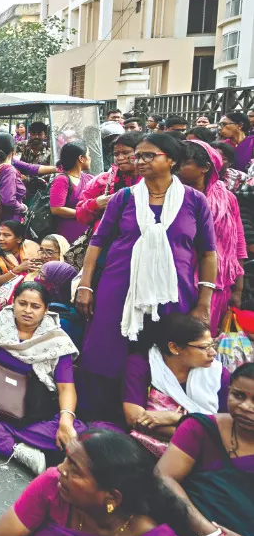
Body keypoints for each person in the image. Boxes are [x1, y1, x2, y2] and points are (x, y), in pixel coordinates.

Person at [75, 132, 218, 422]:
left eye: (149, 155)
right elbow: (97, 243)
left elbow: (207, 254)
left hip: (172, 294)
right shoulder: (125, 198)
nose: (139, 161)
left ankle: (150, 418)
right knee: (106, 352)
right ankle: (99, 420)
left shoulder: (194, 201)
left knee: (164, 353)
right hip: (119, 291)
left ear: (172, 160)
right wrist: (86, 286)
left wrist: (204, 302)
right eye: (138, 155)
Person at [0, 429, 194, 536]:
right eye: (66, 459)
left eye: (75, 469)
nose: (60, 469)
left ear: (112, 498)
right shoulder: (53, 484)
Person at [0, 282, 84, 475]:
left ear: (45, 310)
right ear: (13, 303)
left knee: (77, 433)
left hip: (31, 415)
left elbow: (66, 388)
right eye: (22, 304)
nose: (27, 311)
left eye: (35, 306)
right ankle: (18, 450)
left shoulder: (57, 341)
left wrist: (65, 421)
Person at [156, 363, 254, 536]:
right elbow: (164, 477)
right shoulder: (200, 429)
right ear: (228, 391)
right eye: (239, 396)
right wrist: (211, 533)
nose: (246, 406)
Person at [123, 313, 230, 457]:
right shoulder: (143, 364)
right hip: (145, 447)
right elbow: (135, 419)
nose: (213, 353)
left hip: (201, 453)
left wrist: (174, 418)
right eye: (204, 347)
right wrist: (201, 434)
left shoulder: (217, 374)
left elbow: (224, 426)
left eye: (213, 345)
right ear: (174, 348)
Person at [177, 139, 246, 332]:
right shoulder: (170, 196)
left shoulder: (227, 199)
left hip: (218, 283)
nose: (177, 168)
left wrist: (238, 290)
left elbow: (238, 242)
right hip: (179, 280)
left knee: (205, 337)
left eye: (184, 163)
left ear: (205, 167)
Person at [75, 131, 144, 229]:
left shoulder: (154, 180)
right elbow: (80, 215)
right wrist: (95, 204)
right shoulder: (102, 181)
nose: (120, 158)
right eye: (116, 154)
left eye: (125, 153)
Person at [49, 142, 94, 243]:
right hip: (67, 234)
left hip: (88, 233)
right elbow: (56, 209)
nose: (90, 158)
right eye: (88, 155)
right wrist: (82, 213)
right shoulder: (62, 180)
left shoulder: (90, 179)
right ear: (81, 158)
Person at [0, 220, 40, 288]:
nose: (0, 238)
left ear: (19, 239)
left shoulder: (32, 248)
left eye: (6, 235)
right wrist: (17, 270)